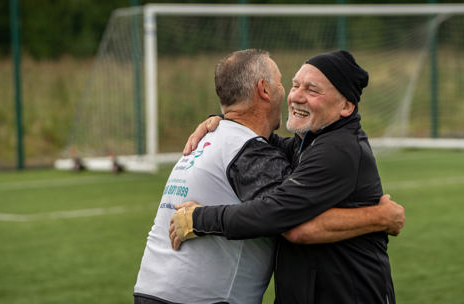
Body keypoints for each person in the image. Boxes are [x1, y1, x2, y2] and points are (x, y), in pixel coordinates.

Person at [135, 49, 404, 304]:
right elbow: (270, 150)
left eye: (312, 90)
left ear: (346, 106)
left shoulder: (337, 150)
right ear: (264, 90)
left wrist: (199, 218)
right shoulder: (301, 144)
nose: (295, 96)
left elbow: (288, 221)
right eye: (293, 84)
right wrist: (378, 217)